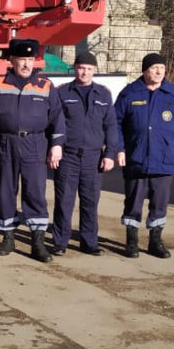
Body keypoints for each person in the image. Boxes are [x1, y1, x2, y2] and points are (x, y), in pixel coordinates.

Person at [0, 38, 65, 263]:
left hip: (35, 145)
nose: (27, 64)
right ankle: (8, 237)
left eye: (30, 60)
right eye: (22, 59)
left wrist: (56, 145)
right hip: (5, 145)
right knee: (6, 191)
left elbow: (57, 118)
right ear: (12, 60)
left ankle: (37, 241)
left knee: (35, 193)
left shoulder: (45, 86)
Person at [51, 52, 118, 256]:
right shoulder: (62, 93)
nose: (85, 72)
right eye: (81, 68)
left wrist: (110, 153)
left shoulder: (103, 94)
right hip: (68, 156)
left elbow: (111, 125)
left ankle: (89, 242)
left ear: (94, 71)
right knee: (64, 201)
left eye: (89, 69)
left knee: (90, 201)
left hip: (93, 157)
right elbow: (55, 122)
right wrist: (55, 146)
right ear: (75, 68)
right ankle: (60, 242)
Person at [115, 53, 174, 259]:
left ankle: (155, 242)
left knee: (159, 203)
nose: (158, 72)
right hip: (136, 158)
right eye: (154, 68)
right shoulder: (130, 93)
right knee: (133, 201)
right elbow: (115, 124)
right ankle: (131, 242)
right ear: (144, 70)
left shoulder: (171, 94)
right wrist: (119, 149)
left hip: (164, 159)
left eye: (161, 68)